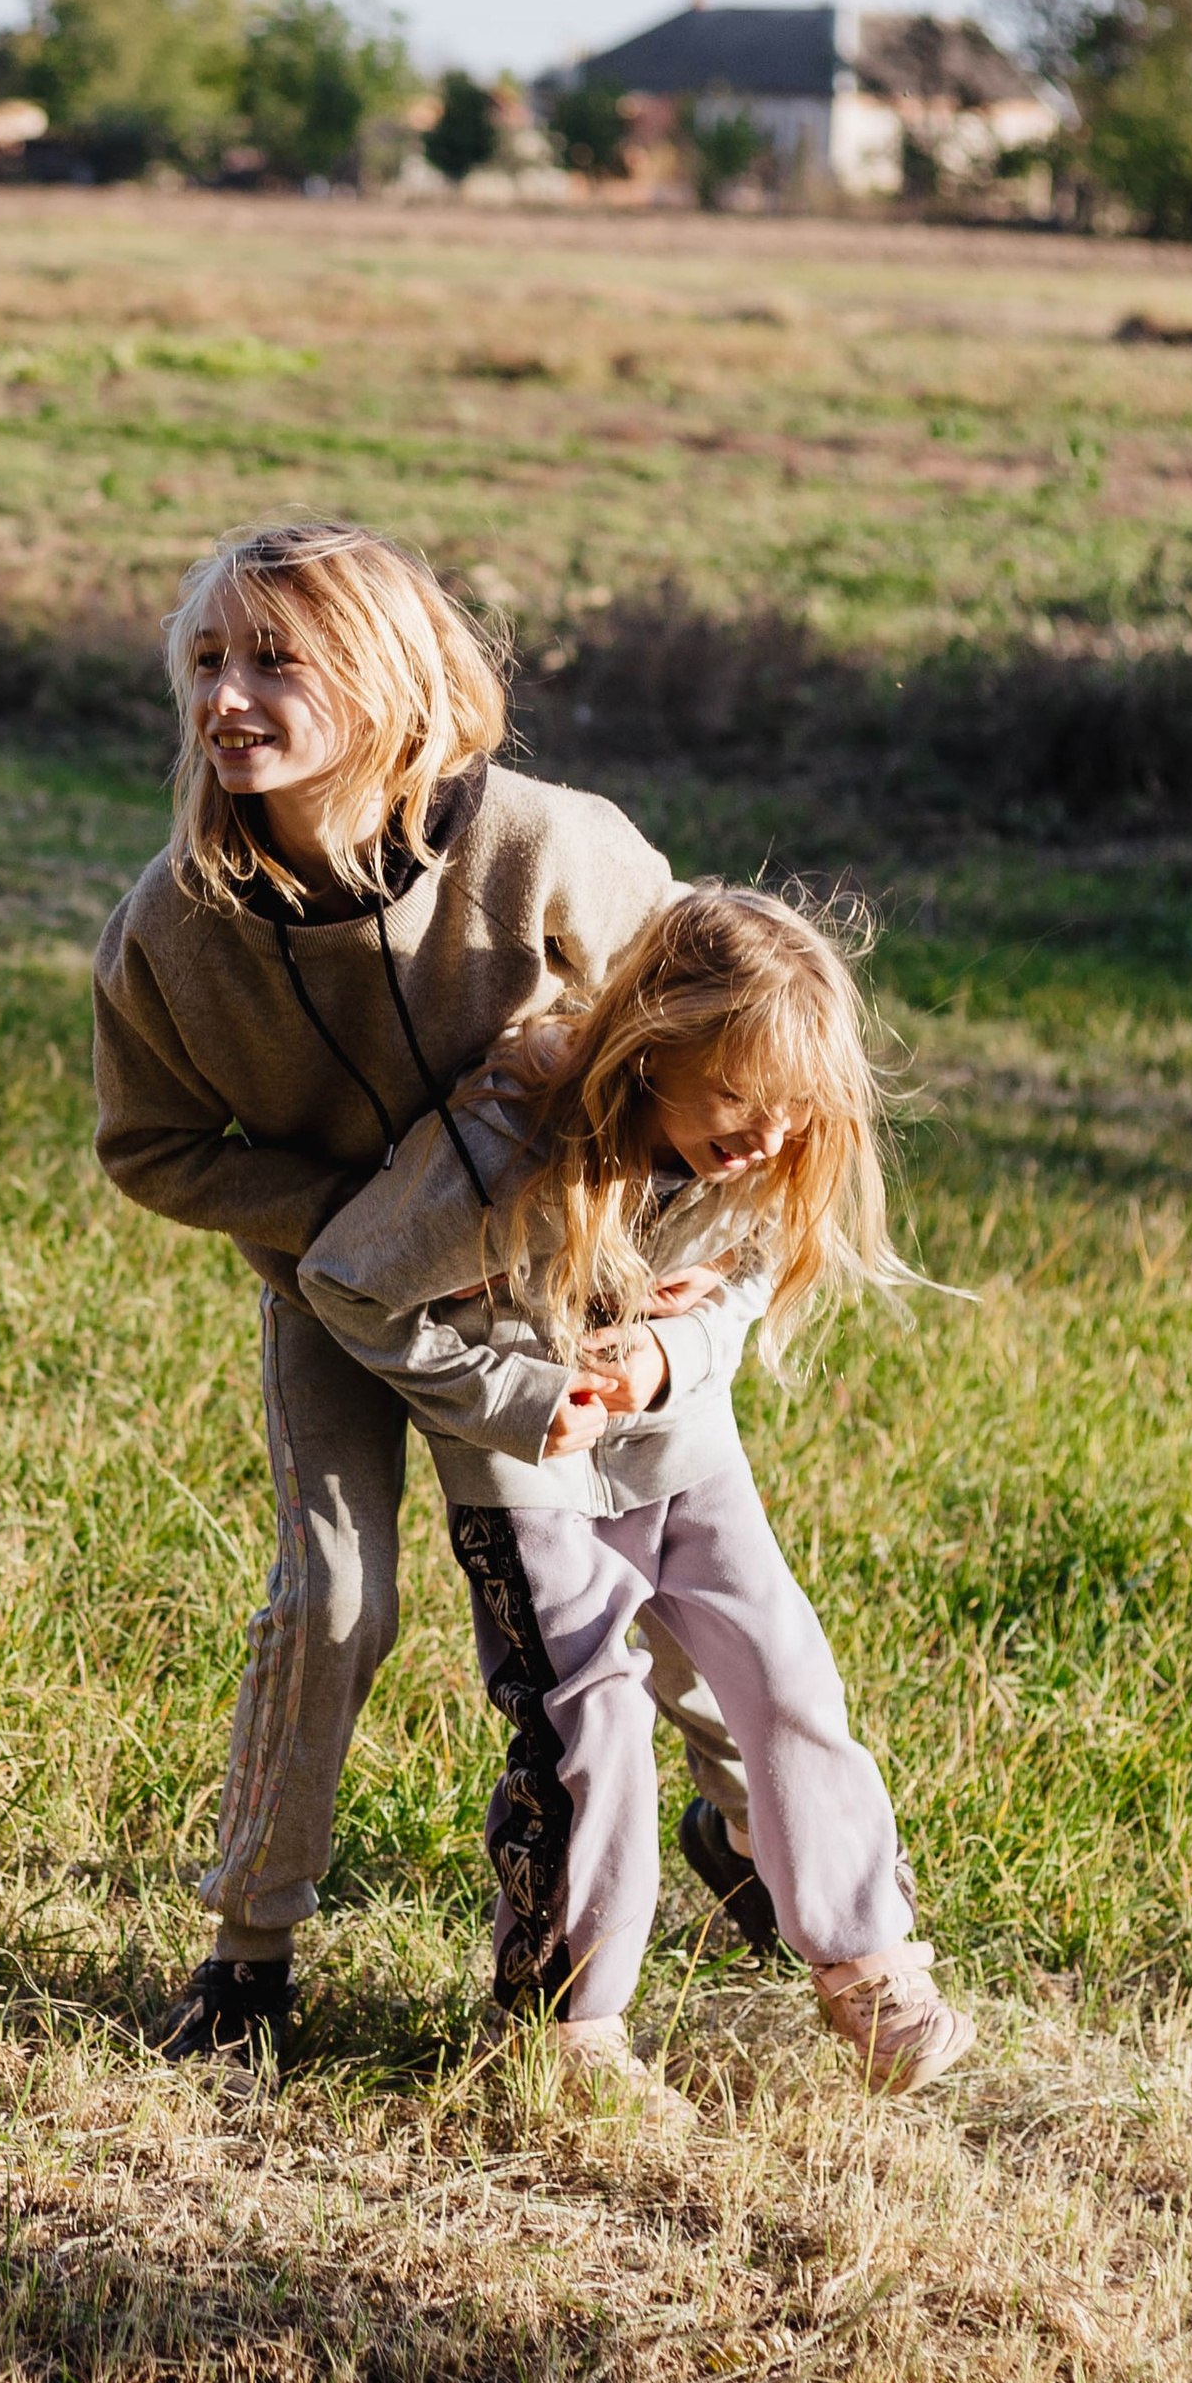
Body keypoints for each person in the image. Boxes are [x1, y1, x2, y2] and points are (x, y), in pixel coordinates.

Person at [92, 520, 769, 2066]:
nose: (230, 698)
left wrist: (643, 1267)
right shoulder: (172, 922)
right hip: (341, 1300)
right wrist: (358, 1227)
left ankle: (753, 1835)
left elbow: (688, 1028)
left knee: (645, 1595)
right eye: (206, 661)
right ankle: (247, 1957)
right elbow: (149, 1146)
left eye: (278, 660)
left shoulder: (547, 844)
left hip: (556, 1283)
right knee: (330, 1597)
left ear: (395, 684)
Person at [299, 881, 973, 2105]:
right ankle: (568, 2030)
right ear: (652, 1046)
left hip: (683, 1451)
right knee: (590, 1720)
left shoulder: (759, 1153)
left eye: (791, 1112)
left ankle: (866, 1964)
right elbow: (345, 1285)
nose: (765, 1137)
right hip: (531, 1476)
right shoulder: (500, 1145)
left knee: (785, 1678)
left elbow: (748, 1277)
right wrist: (507, 1395)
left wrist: (669, 1357)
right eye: (733, 1099)